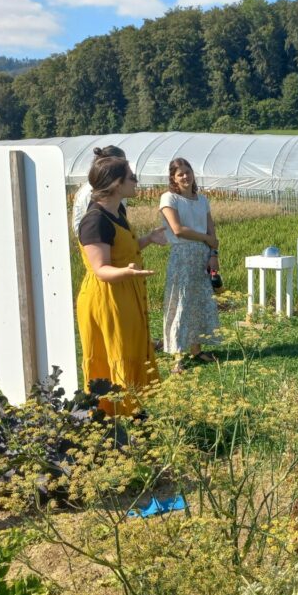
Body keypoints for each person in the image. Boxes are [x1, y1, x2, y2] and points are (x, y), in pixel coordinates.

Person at [77, 154, 166, 415]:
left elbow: (121, 254)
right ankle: (109, 413)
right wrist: (127, 272)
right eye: (131, 176)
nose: (136, 181)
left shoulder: (117, 212)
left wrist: (148, 239)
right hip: (106, 299)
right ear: (117, 184)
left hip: (124, 293)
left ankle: (133, 408)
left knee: (131, 348)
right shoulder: (95, 221)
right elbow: (101, 269)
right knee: (115, 352)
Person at [159, 158, 221, 370]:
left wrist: (213, 254)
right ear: (173, 178)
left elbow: (212, 231)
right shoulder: (169, 198)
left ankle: (197, 349)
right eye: (180, 174)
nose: (185, 176)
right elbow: (178, 229)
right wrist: (205, 238)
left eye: (188, 172)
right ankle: (178, 354)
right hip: (183, 256)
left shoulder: (202, 200)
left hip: (202, 256)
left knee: (199, 302)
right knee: (181, 303)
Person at [71, 145, 126, 233]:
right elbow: (91, 227)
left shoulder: (115, 188)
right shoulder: (90, 192)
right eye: (124, 165)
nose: (127, 169)